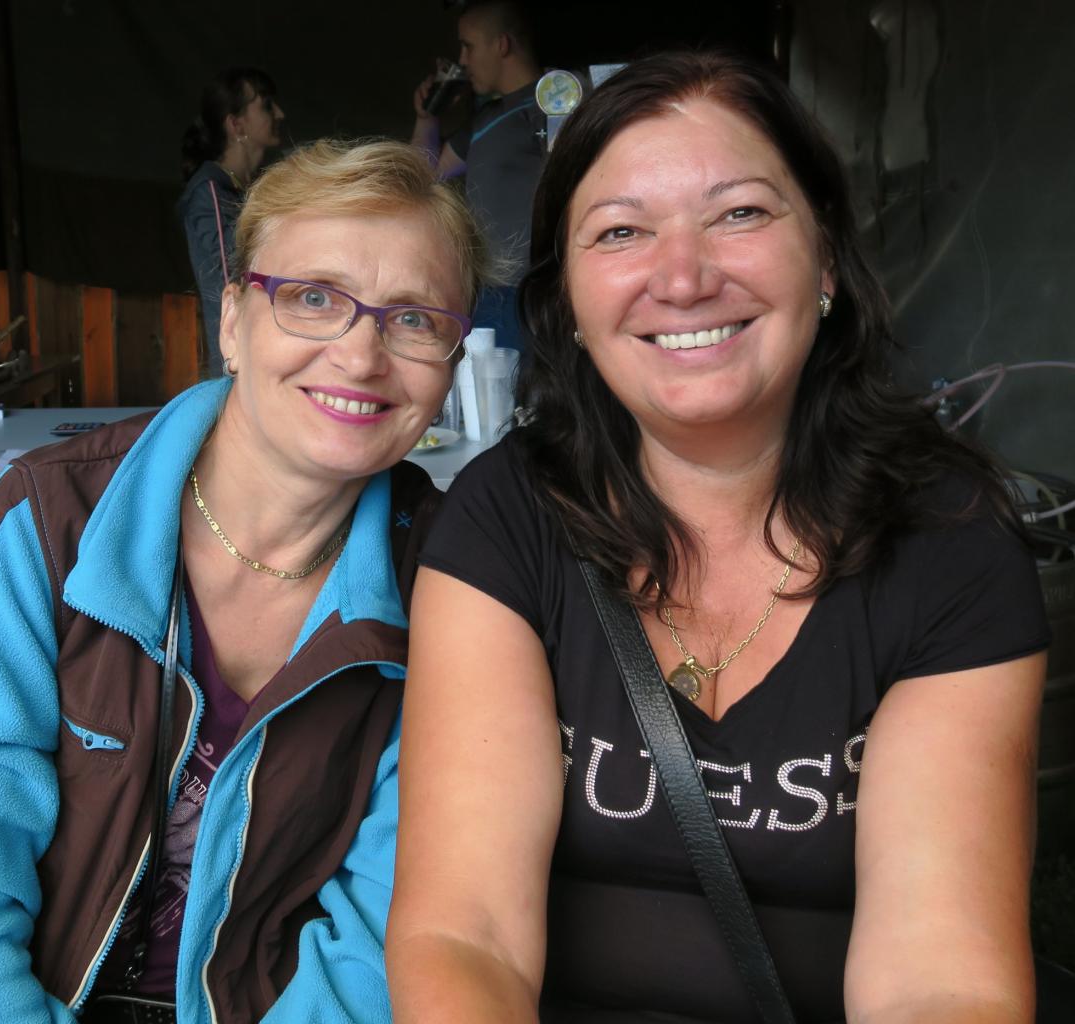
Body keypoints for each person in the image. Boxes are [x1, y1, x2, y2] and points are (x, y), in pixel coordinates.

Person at [387, 50, 1050, 1022]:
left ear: (825, 260)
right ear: (567, 303)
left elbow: (939, 981)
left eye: (738, 213)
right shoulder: (507, 517)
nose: (683, 276)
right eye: (621, 230)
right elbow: (464, 935)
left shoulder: (946, 543)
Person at [0, 138, 488, 1023]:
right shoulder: (52, 520)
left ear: (450, 360)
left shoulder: (452, 581)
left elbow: (386, 931)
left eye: (413, 319)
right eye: (314, 298)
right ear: (232, 321)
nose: (360, 356)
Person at [411, 0, 544, 351]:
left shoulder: (555, 98)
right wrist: (427, 119)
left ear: (501, 44)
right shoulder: (485, 118)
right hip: (488, 292)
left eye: (468, 46)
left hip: (539, 289)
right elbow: (423, 178)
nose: (463, 60)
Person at [179, 67, 286, 376]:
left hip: (264, 352)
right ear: (236, 124)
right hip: (239, 365)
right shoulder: (210, 190)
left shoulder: (249, 189)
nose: (279, 113)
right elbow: (230, 277)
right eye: (266, 105)